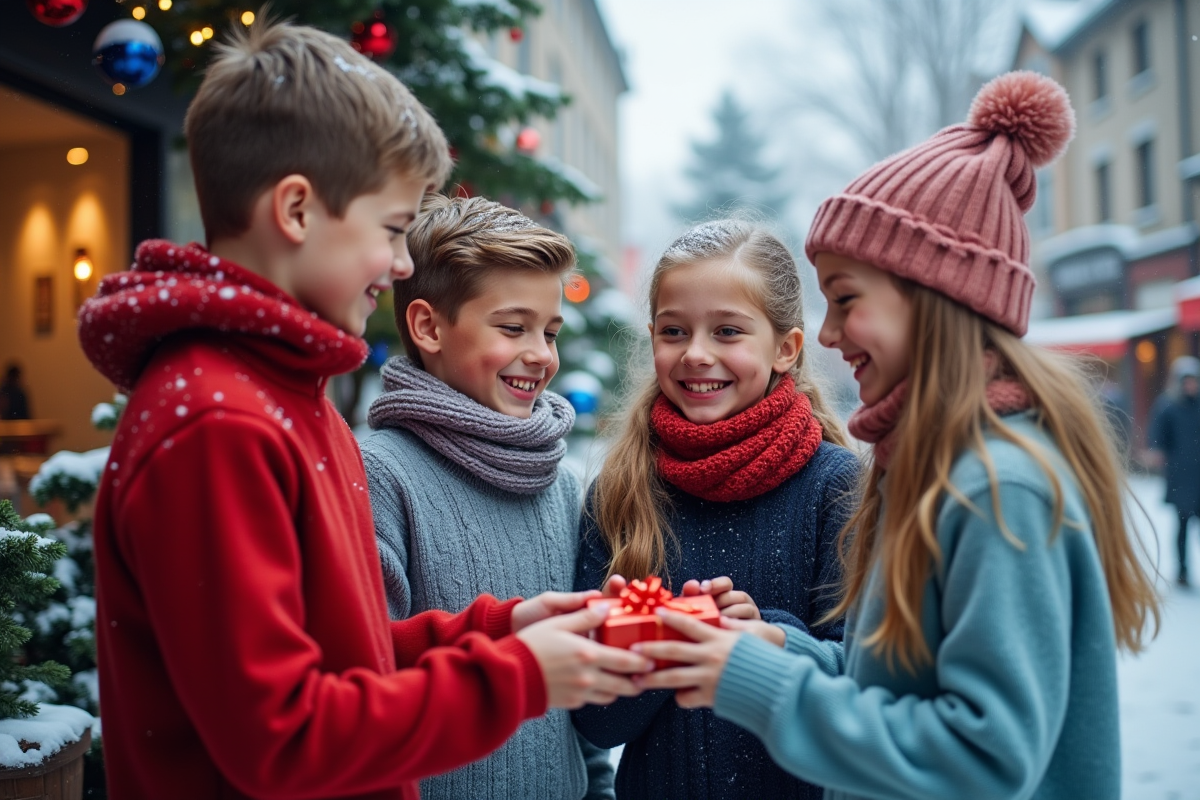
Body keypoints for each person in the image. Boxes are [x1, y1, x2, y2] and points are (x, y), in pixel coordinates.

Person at [76, 20, 649, 800]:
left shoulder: (290, 396)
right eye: (391, 229)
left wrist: (498, 630)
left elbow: (342, 653)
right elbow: (282, 736)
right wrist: (518, 674)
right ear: (298, 210)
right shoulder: (216, 423)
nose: (404, 263)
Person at [629, 72, 1161, 800]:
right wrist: (789, 650)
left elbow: (982, 759)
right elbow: (903, 687)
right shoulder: (936, 470)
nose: (828, 333)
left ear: (937, 298)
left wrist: (757, 681)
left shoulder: (996, 489)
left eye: (846, 300)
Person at [572, 219, 858, 799]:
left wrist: (770, 641)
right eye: (674, 331)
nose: (697, 354)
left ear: (786, 348)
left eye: (728, 331)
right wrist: (659, 645)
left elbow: (866, 680)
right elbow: (595, 722)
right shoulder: (621, 492)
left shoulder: (838, 487)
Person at [362, 195, 615, 800]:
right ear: (428, 327)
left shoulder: (560, 484)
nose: (541, 355)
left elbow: (575, 684)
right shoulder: (380, 474)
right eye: (512, 327)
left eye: (550, 332)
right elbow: (370, 673)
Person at [1149, 355, 1200, 586]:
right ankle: (1182, 571)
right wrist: (1157, 453)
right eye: (1187, 381)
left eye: (1194, 381)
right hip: (1180, 477)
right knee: (1182, 527)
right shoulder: (1168, 406)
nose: (1191, 385)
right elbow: (1157, 437)